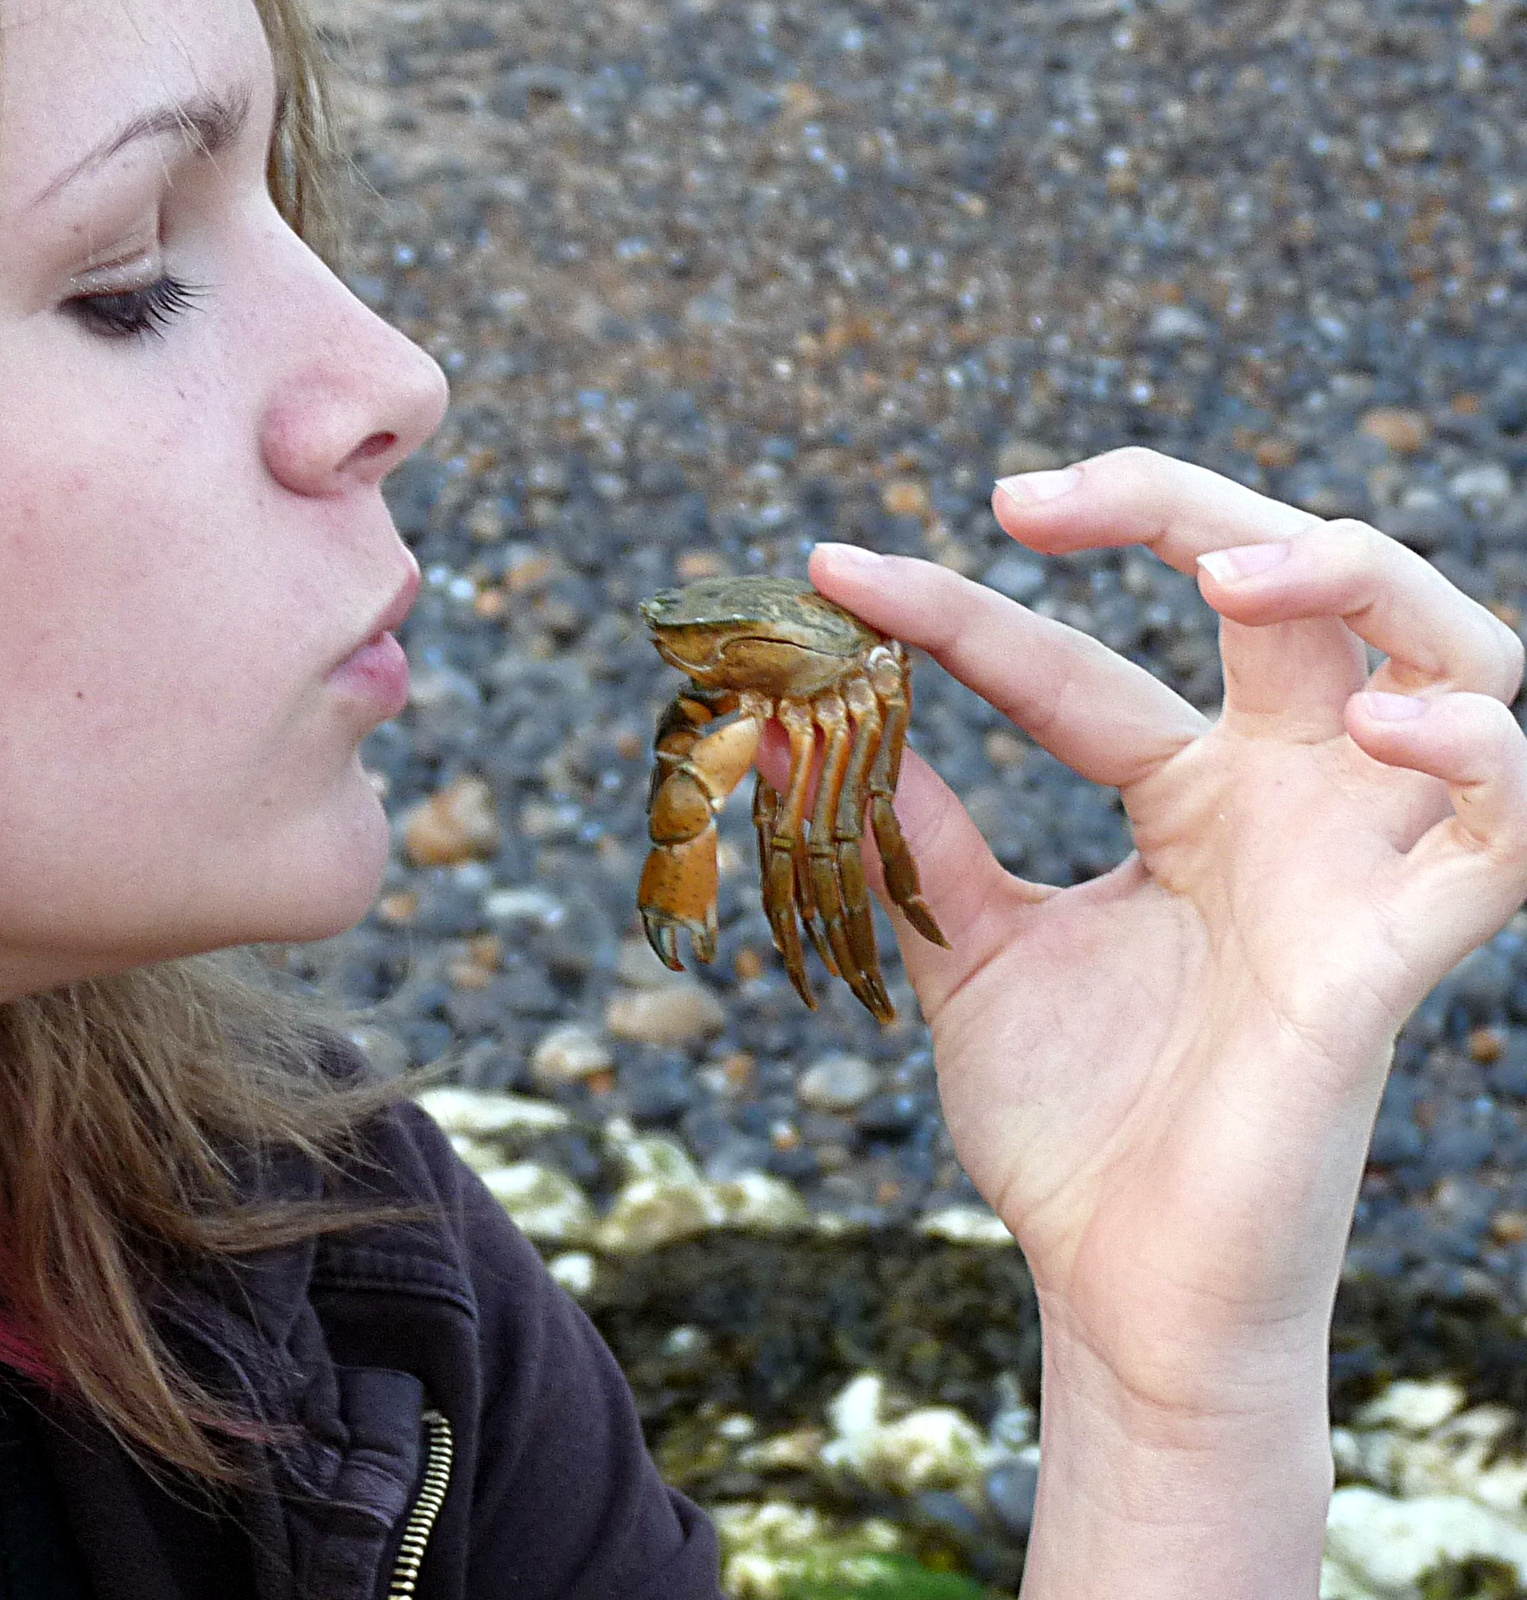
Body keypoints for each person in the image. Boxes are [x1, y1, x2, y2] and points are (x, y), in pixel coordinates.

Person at [0, 1, 1522, 1599]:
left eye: (283, 199)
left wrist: (1176, 1391)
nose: (400, 375)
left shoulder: (334, 1265)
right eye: (126, 278)